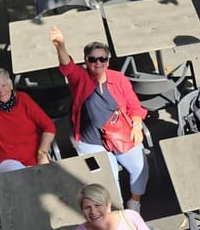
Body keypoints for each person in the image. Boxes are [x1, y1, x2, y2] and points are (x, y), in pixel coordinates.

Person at [49, 26, 148, 210]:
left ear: (108, 61)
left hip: (121, 134)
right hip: (91, 140)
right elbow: (67, 67)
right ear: (86, 61)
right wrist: (61, 46)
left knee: (140, 167)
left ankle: (134, 203)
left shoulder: (118, 79)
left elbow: (134, 105)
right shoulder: (80, 78)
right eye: (93, 59)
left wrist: (136, 125)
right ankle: (117, 212)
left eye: (102, 58)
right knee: (107, 182)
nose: (98, 62)